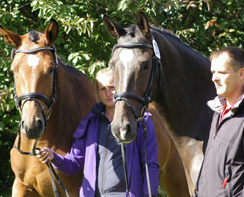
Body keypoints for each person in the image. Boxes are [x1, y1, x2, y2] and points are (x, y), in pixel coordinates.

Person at [37, 68, 160, 197]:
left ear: (120, 87)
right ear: (97, 92)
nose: (108, 93)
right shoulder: (90, 123)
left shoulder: (141, 122)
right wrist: (53, 157)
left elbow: (149, 166)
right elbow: (73, 164)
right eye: (103, 89)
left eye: (112, 87)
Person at [195, 46, 244, 197]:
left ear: (241, 73)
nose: (214, 78)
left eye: (222, 73)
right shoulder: (219, 112)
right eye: (213, 72)